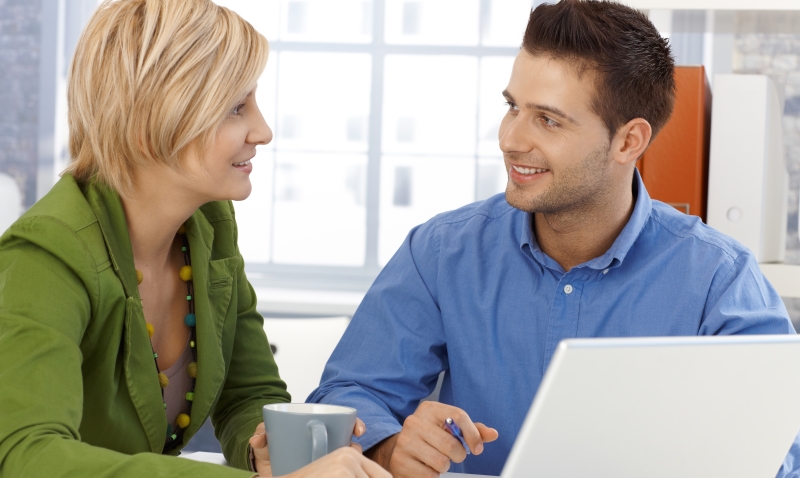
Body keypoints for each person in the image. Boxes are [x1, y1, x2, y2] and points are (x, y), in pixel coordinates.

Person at [308, 1, 800, 477]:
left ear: (629, 141)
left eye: (548, 119)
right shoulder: (441, 251)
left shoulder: (719, 276)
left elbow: (778, 446)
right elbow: (347, 394)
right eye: (512, 107)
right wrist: (390, 444)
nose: (510, 138)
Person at [0, 1, 389, 477]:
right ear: (152, 123)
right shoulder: (46, 256)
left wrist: (263, 448)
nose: (263, 131)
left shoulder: (210, 227)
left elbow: (248, 395)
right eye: (235, 108)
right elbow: (27, 456)